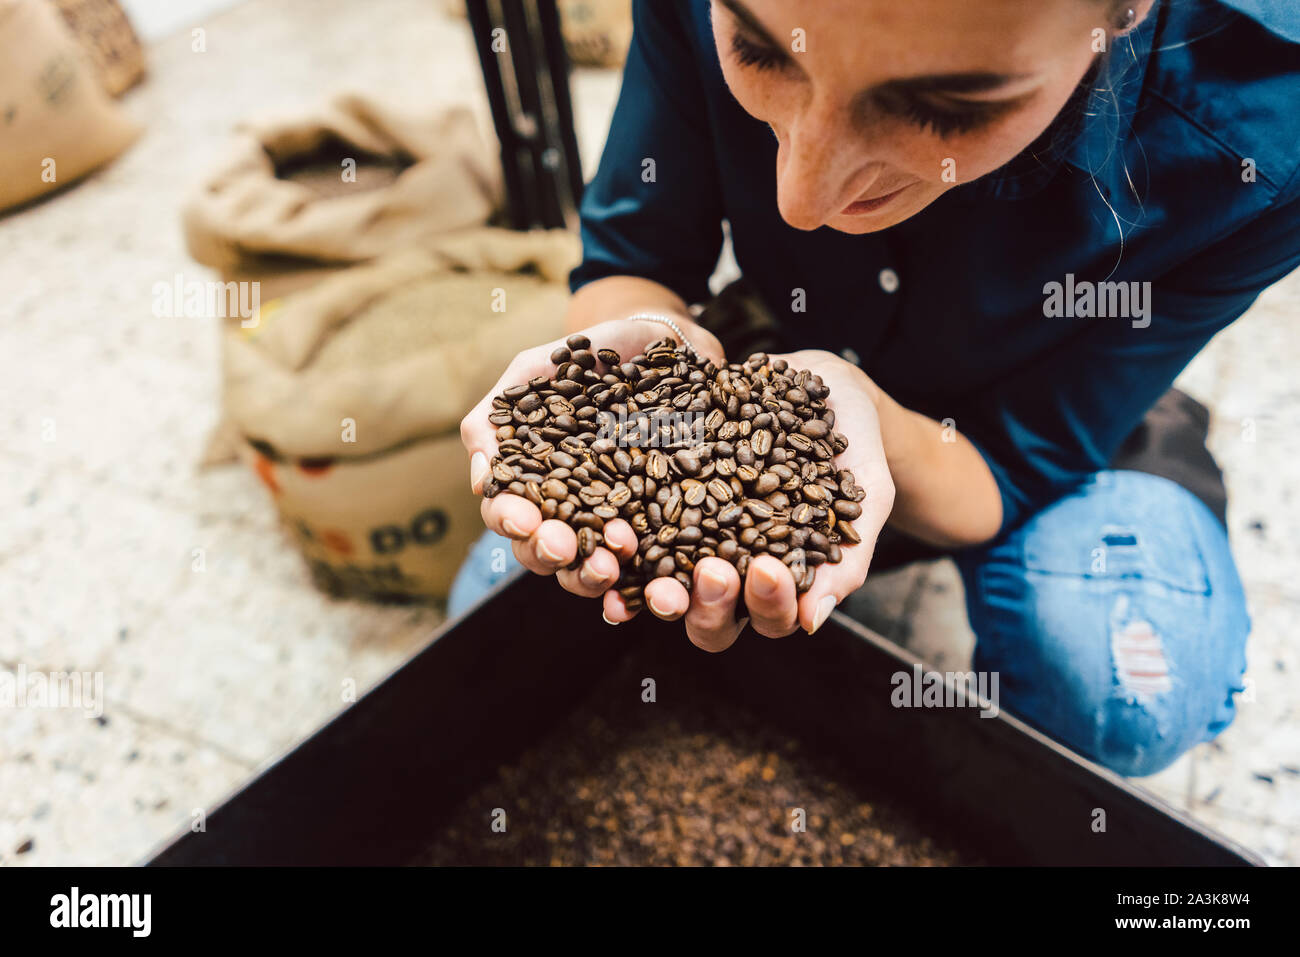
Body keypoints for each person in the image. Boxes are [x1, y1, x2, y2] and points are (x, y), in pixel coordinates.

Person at [455, 0, 1300, 776]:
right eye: (757, 50)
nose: (803, 198)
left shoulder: (1264, 130)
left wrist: (861, 408)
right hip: (783, 351)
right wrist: (668, 351)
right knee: (494, 609)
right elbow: (633, 265)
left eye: (944, 109)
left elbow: (1005, 468)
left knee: (1125, 698)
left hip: (1055, 410)